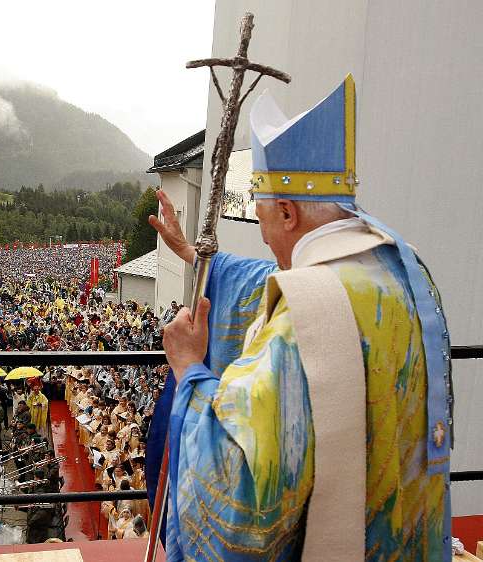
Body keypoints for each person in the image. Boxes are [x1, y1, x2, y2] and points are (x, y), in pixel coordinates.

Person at [151, 76, 452, 561]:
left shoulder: (306, 312)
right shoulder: (403, 272)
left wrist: (189, 368)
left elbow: (242, 495)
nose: (265, 235)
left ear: (288, 213)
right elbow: (274, 277)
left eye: (262, 215)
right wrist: (191, 252)